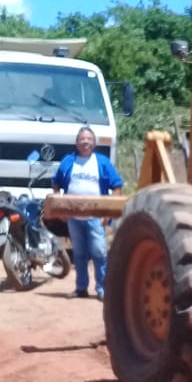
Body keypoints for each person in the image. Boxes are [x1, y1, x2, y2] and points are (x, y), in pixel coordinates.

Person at [51, 126, 124, 299]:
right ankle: (81, 288)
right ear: (77, 143)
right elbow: (56, 183)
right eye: (82, 139)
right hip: (74, 218)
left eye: (89, 139)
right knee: (79, 254)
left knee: (99, 253)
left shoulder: (102, 162)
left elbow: (117, 186)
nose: (85, 142)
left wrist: (109, 212)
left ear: (94, 143)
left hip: (96, 218)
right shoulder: (68, 162)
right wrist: (59, 206)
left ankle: (103, 289)